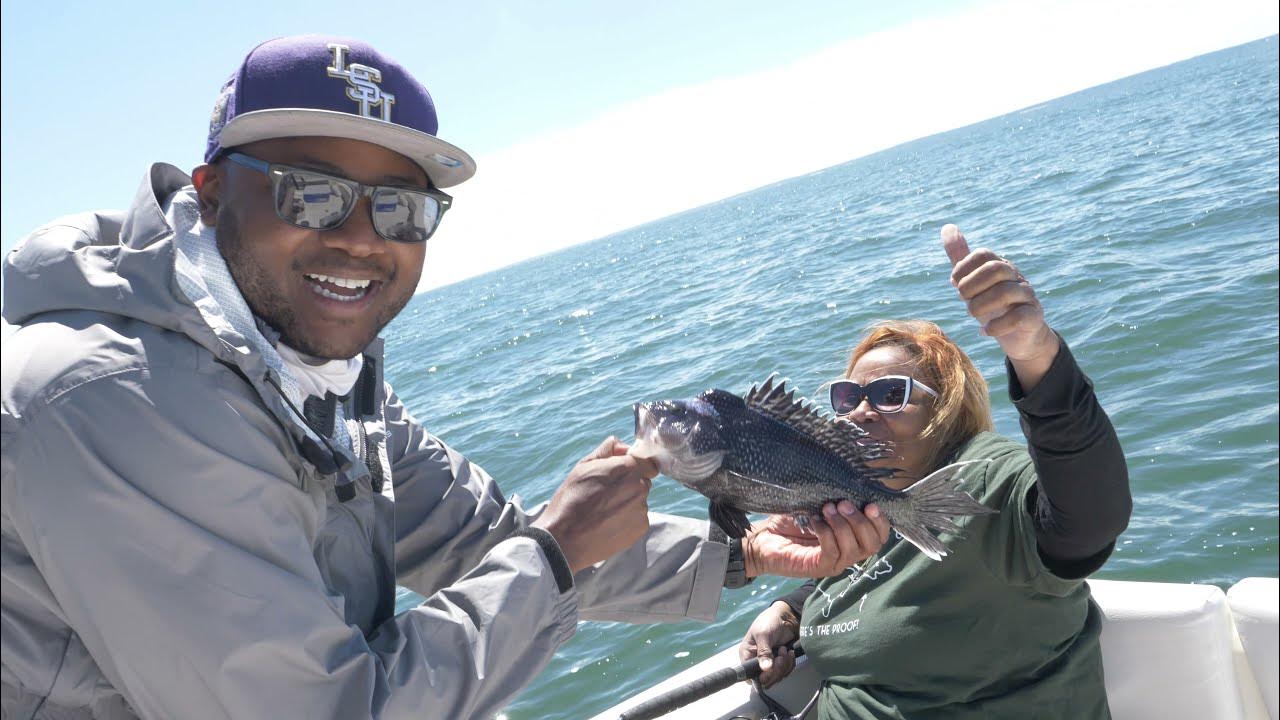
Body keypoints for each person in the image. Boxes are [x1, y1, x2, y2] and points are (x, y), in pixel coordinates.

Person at [0, 35, 872, 719]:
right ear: (214, 189)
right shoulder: (111, 399)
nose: (360, 238)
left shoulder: (312, 371)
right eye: (311, 193)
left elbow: (482, 535)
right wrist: (558, 551)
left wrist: (742, 556)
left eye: (402, 209)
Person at [737, 225, 1132, 719]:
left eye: (888, 394)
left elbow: (1089, 518)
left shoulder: (984, 478)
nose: (860, 410)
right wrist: (791, 610)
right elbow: (869, 569)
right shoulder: (862, 499)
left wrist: (1036, 357)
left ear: (945, 409)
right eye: (847, 397)